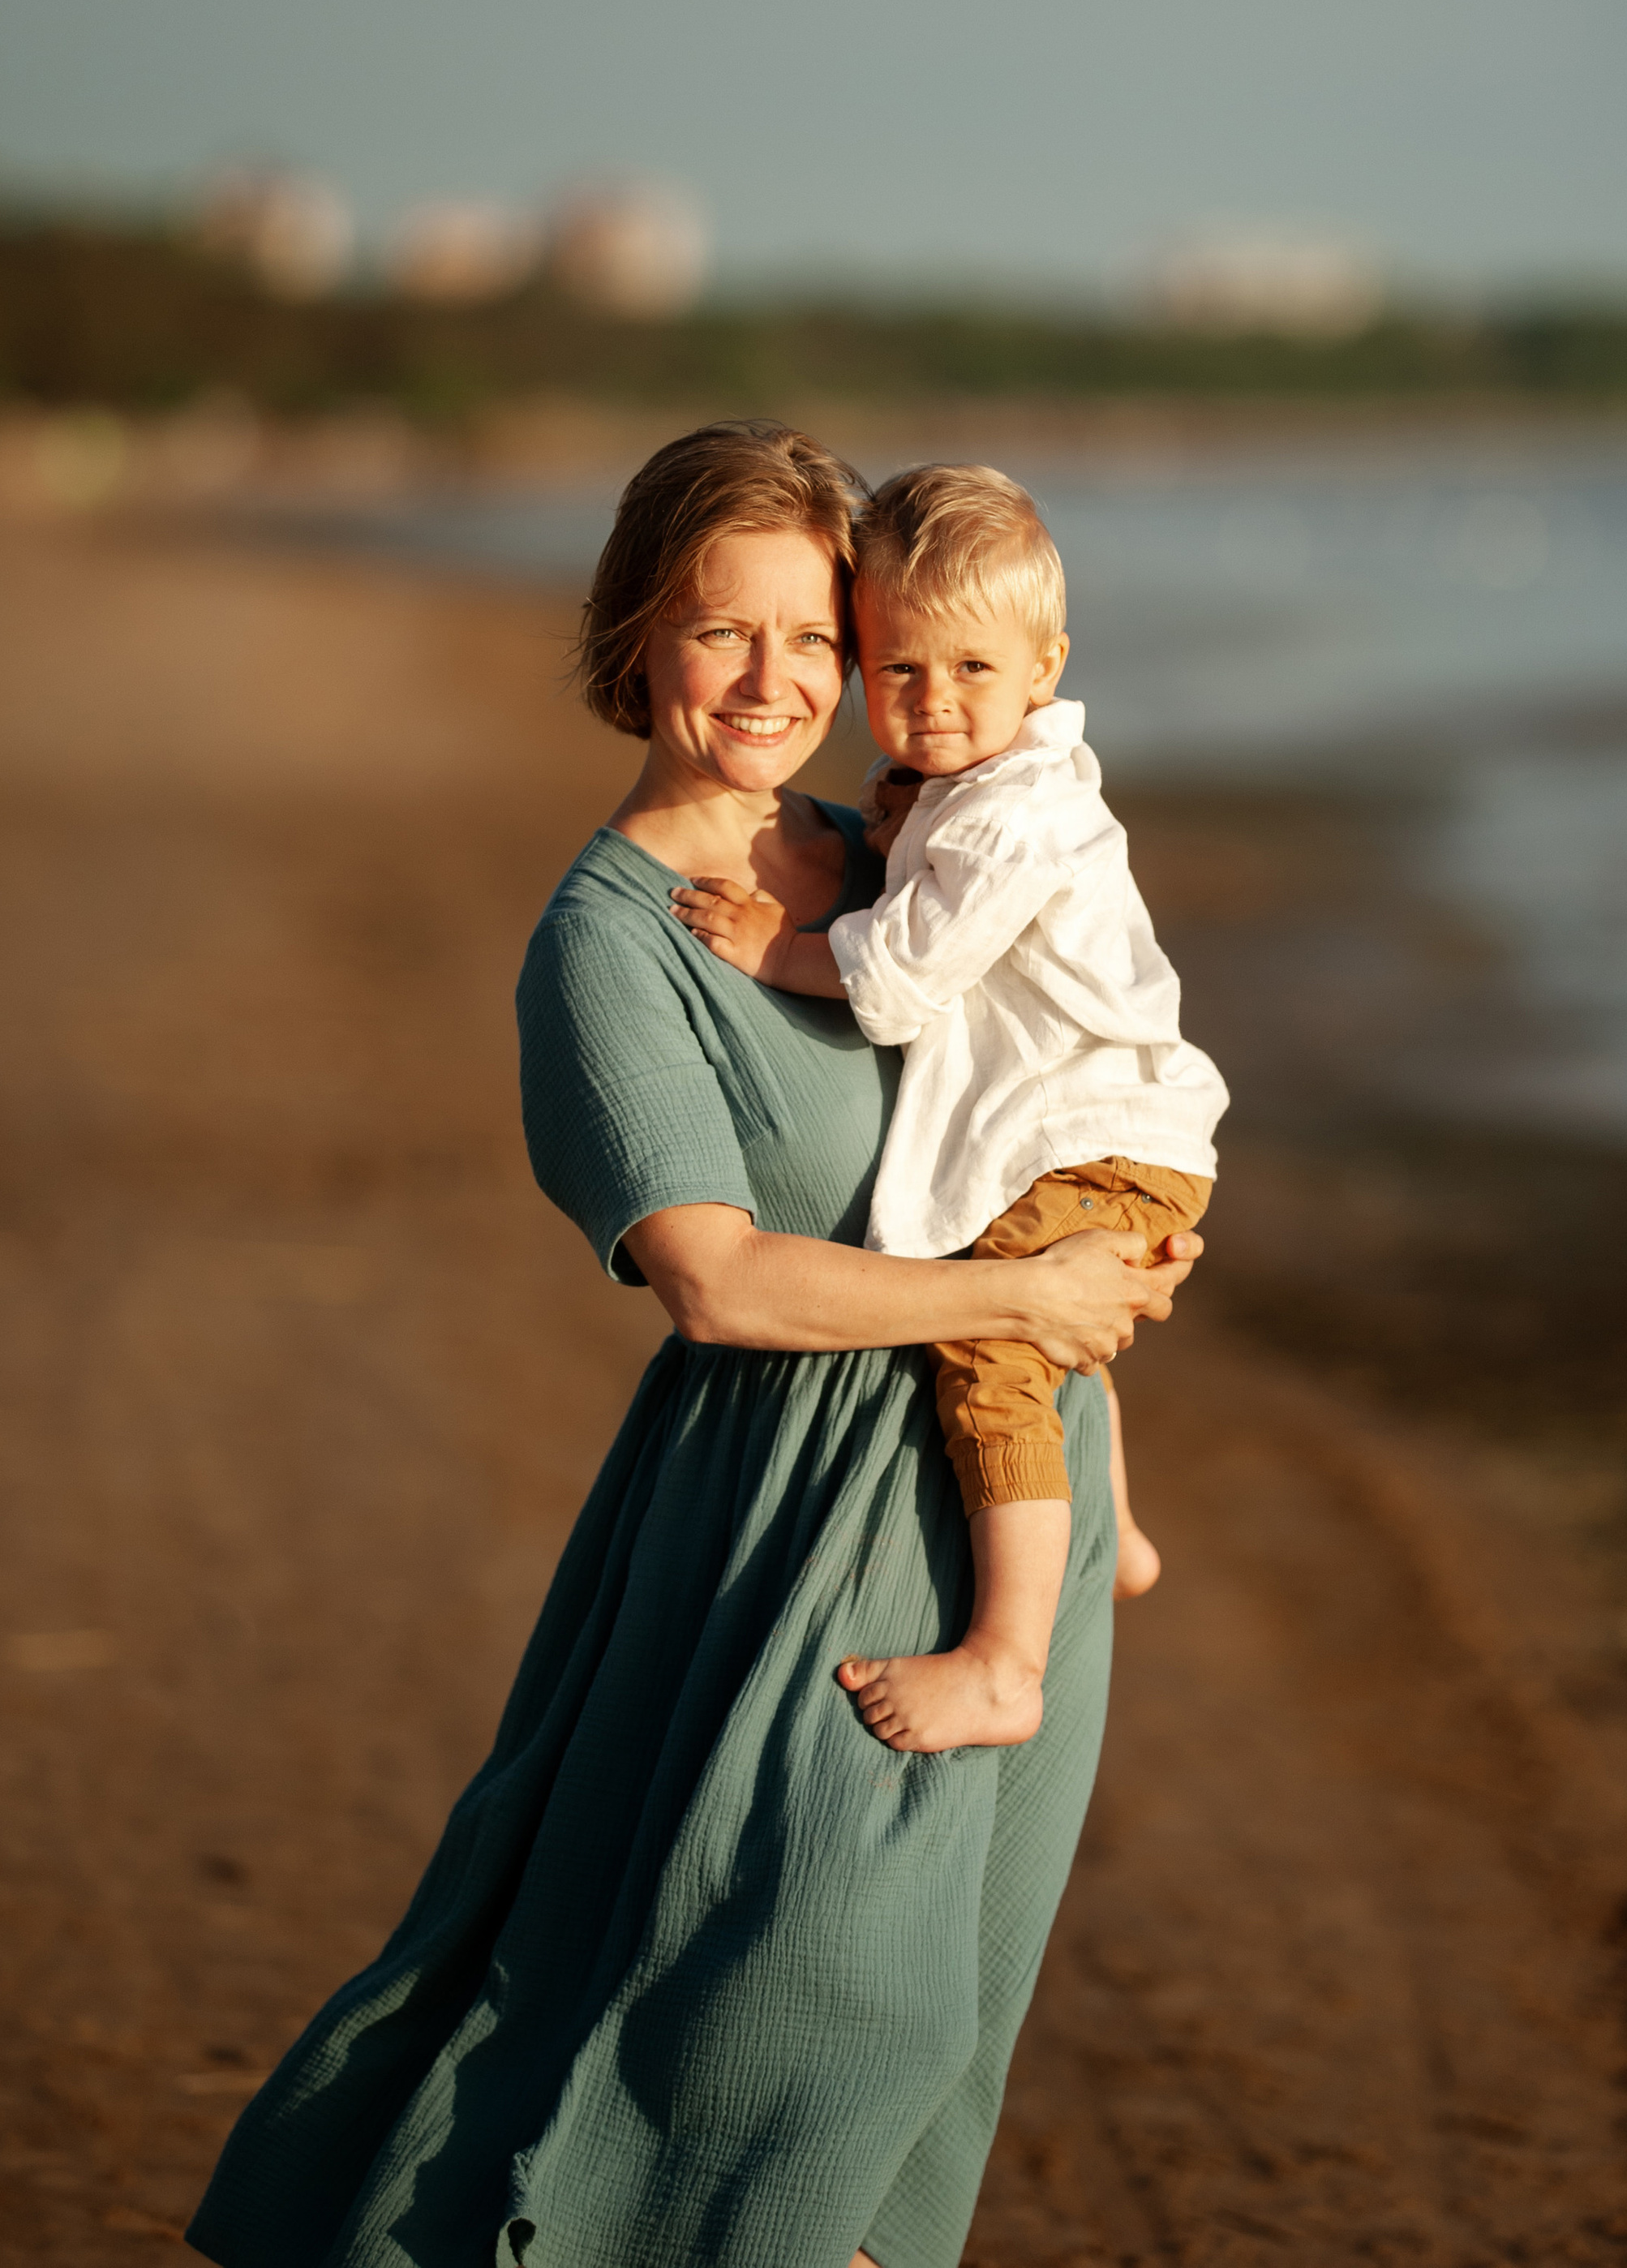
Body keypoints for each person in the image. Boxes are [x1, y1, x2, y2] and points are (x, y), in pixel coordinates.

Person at [186, 420, 1198, 2268]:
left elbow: (1029, 1126)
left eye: (817, 638)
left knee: (925, 2063)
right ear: (636, 634)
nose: (778, 682)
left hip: (1008, 1504)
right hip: (792, 1540)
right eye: (725, 633)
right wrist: (1026, 1306)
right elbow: (719, 1280)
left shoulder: (891, 851)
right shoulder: (603, 945)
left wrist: (1102, 1302)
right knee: (803, 2037)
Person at [675, 462, 1226, 1759]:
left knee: (993, 1350)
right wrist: (898, 818)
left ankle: (1006, 1661)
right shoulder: (985, 789)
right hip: (1112, 1132)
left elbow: (900, 976)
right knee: (1040, 1318)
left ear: (1046, 665)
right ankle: (1122, 1532)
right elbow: (938, 856)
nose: (933, 705)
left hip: (1097, 1139)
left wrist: (771, 949)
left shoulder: (1014, 820)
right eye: (900, 672)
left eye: (972, 673)